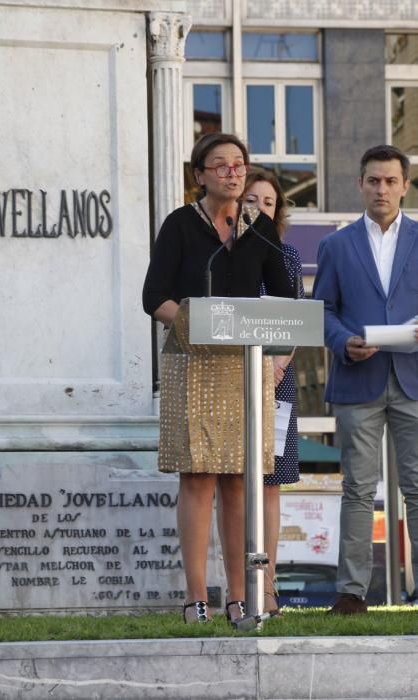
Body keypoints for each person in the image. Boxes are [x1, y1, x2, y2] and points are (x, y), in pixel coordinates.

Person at [142, 132, 293, 623]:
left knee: (237, 483)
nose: (232, 172)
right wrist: (194, 323)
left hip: (243, 367)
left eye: (239, 165)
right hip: (194, 359)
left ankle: (238, 594)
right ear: (199, 175)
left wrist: (277, 358)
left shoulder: (260, 226)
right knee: (199, 477)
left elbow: (288, 298)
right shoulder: (181, 225)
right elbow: (154, 296)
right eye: (221, 165)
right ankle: (194, 598)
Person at [313, 144, 418, 614]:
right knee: (357, 487)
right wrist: (341, 342)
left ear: (405, 186)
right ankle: (352, 593)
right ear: (360, 184)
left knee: (417, 487)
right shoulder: (336, 245)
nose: (382, 189)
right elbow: (323, 312)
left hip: (414, 377)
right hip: (359, 376)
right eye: (373, 180)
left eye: (391, 181)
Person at [243, 169, 304, 616]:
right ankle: (234, 587)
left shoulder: (288, 256)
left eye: (268, 202)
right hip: (230, 382)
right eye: (252, 201)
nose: (260, 208)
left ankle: (267, 588)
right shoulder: (221, 254)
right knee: (229, 487)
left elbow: (296, 319)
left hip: (277, 384)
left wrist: (276, 364)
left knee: (269, 487)